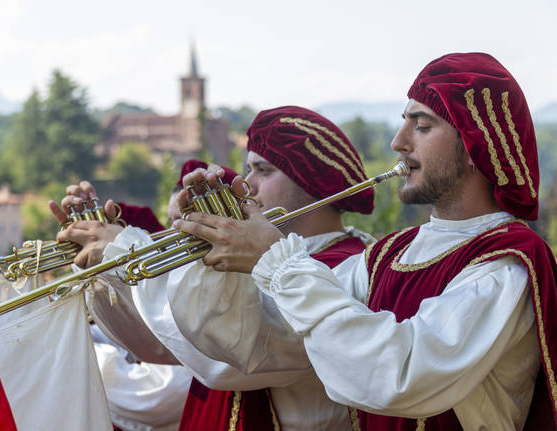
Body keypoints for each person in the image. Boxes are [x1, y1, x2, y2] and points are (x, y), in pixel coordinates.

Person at [171, 53, 557, 430]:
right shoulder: (386, 255)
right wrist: (216, 246)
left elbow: (402, 376)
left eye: (421, 126)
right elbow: (264, 344)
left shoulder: (506, 263)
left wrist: (277, 260)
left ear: (475, 145)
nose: (398, 142)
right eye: (403, 123)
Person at [55, 106, 376, 430]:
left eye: (263, 171)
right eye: (247, 169)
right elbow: (159, 345)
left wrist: (127, 251)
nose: (247, 185)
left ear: (311, 181)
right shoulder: (256, 256)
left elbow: (232, 361)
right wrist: (107, 266)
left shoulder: (345, 266)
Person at [50, 159, 237, 431]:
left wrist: (66, 346)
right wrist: (99, 271)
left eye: (189, 219)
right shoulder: (177, 282)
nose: (175, 231)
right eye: (173, 220)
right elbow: (138, 334)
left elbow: (156, 395)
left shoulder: (217, 294)